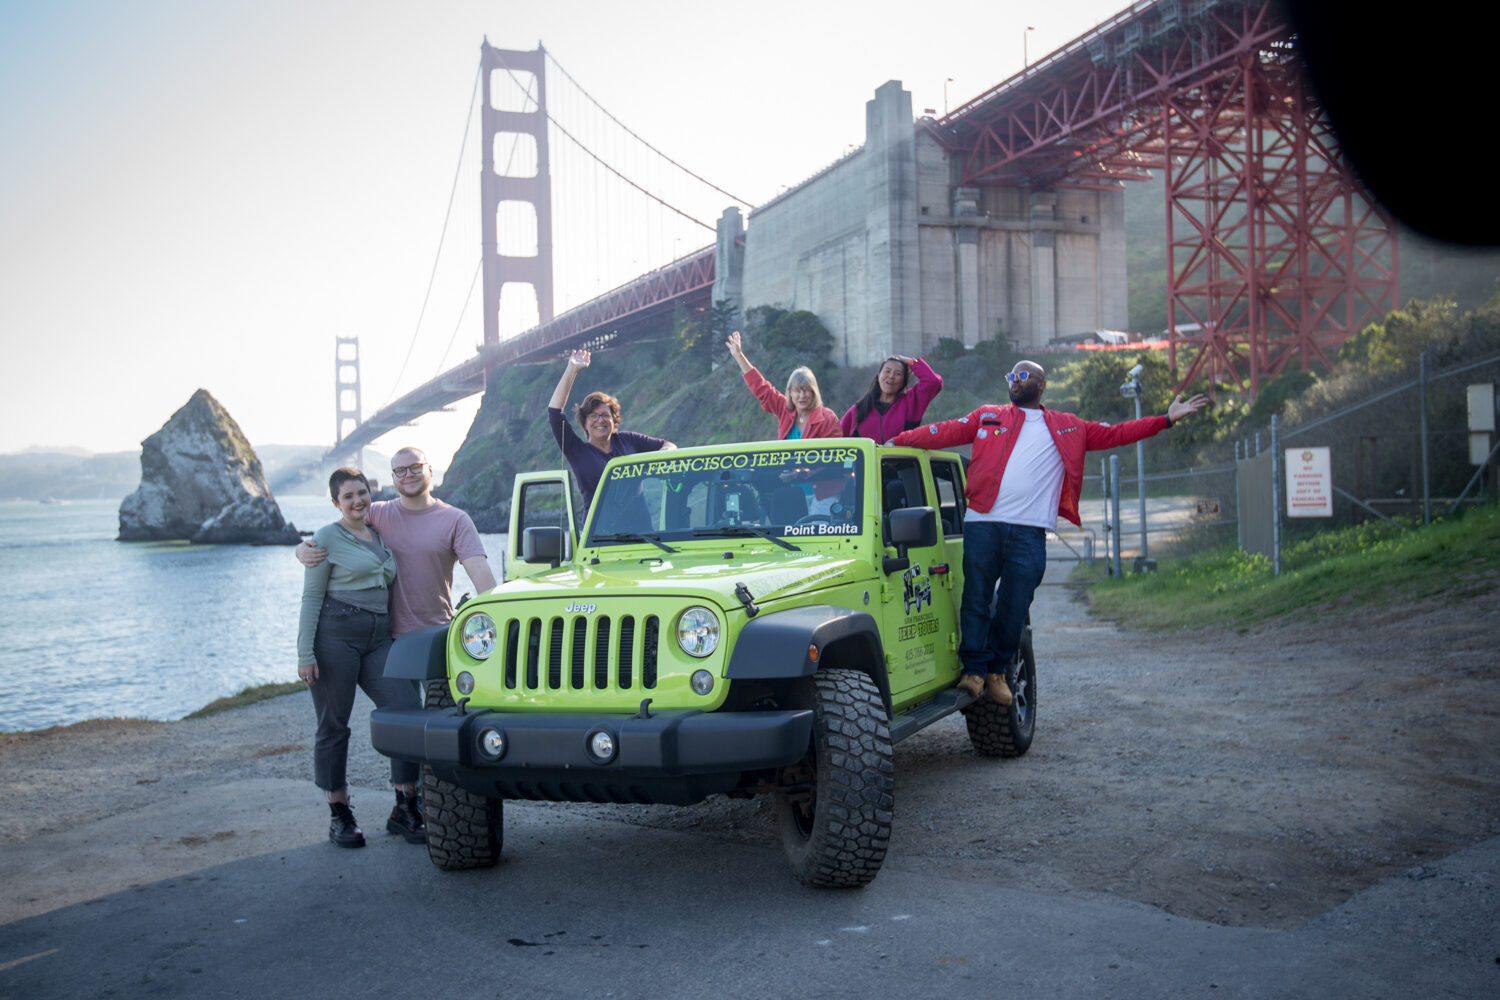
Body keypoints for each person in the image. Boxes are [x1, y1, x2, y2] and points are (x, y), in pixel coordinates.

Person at [891, 360, 1207, 705]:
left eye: (1022, 375)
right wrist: (895, 440)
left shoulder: (1068, 426)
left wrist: (1165, 420)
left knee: (1015, 603)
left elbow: (1117, 433)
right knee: (976, 598)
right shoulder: (988, 415)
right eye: (1010, 375)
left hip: (1029, 531)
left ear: (1041, 384)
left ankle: (998, 670)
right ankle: (974, 671)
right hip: (983, 522)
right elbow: (945, 432)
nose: (1014, 380)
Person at [296, 467, 422, 848]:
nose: (357, 501)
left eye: (362, 493)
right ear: (336, 502)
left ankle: (404, 806)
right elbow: (311, 597)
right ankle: (339, 814)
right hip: (335, 637)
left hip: (378, 637)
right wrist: (305, 653)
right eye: (348, 496)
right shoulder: (326, 538)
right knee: (334, 725)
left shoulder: (378, 533)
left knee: (405, 711)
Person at [547, 348, 676, 514]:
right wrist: (571, 370)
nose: (600, 420)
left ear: (614, 421)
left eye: (605, 415)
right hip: (600, 539)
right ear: (584, 423)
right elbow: (554, 413)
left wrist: (655, 459)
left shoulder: (628, 440)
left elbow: (669, 446)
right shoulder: (577, 451)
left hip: (644, 537)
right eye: (593, 416)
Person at [724, 330, 841, 440]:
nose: (802, 396)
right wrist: (739, 355)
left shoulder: (827, 418)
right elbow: (762, 388)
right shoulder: (784, 410)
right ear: (790, 393)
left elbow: (839, 454)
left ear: (814, 392)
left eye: (806, 390)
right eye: (797, 391)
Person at [839, 354, 944, 441]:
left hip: (902, 465)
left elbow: (933, 382)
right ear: (878, 375)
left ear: (904, 381)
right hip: (866, 466)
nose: (891, 376)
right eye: (887, 371)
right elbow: (838, 440)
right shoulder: (859, 409)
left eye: (898, 374)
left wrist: (910, 361)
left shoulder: (910, 403)